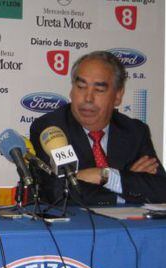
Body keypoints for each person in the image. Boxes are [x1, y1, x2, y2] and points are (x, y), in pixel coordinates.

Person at [30, 50, 166, 206]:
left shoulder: (134, 131)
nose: (88, 98)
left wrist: (105, 176)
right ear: (72, 90)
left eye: (99, 90)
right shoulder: (51, 130)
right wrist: (125, 184)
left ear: (118, 96)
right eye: (81, 87)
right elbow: (57, 191)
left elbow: (161, 189)